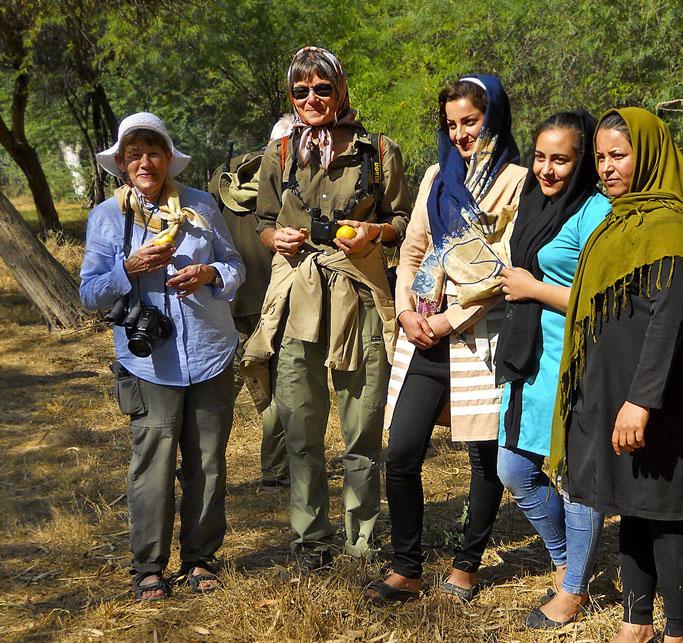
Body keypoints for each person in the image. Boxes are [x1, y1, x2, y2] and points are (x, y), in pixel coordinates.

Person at [549, 108, 683, 643]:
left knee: (665, 511)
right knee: (626, 506)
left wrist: (641, 400)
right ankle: (635, 622)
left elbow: (667, 322)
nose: (606, 168)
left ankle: (677, 639)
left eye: (618, 155)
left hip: (660, 396)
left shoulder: (671, 228)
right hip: (612, 392)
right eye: (599, 157)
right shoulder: (615, 223)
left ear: (646, 154)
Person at [240, 47, 411, 566]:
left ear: (341, 90)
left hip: (359, 296)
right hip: (298, 299)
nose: (312, 99)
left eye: (322, 88)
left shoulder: (380, 151)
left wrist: (374, 232)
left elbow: (403, 221)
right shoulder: (281, 152)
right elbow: (262, 220)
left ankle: (361, 543)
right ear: (291, 98)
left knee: (362, 430)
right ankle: (310, 539)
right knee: (301, 428)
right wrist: (277, 240)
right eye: (301, 91)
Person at [367, 75, 527, 604]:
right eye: (451, 123)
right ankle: (406, 567)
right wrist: (407, 312)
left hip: (479, 337)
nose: (460, 133)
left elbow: (501, 269)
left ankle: (465, 566)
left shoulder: (516, 182)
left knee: (484, 457)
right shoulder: (437, 176)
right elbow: (413, 250)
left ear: (494, 119)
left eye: (471, 121)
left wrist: (447, 320)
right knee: (402, 452)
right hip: (423, 333)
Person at [80, 112, 245, 600]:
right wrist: (127, 268)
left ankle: (200, 559)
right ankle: (148, 567)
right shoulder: (109, 217)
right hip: (148, 364)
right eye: (134, 154)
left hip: (210, 353)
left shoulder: (200, 205)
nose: (144, 162)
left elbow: (234, 265)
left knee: (208, 463)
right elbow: (89, 293)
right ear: (122, 164)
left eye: (153, 152)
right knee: (151, 465)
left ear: (168, 158)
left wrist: (209, 274)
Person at [492, 111, 611, 628]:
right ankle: (568, 560)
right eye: (540, 157)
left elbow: (608, 299)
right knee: (513, 468)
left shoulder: (596, 211)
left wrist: (535, 290)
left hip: (573, 358)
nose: (547, 169)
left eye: (561, 159)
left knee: (572, 476)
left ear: (581, 161)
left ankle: (574, 587)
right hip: (528, 354)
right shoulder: (534, 201)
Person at [207, 118, 292, 488]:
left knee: (219, 388)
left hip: (228, 298)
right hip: (273, 300)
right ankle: (276, 470)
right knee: (277, 390)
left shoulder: (225, 175)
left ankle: (200, 460)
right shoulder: (290, 182)